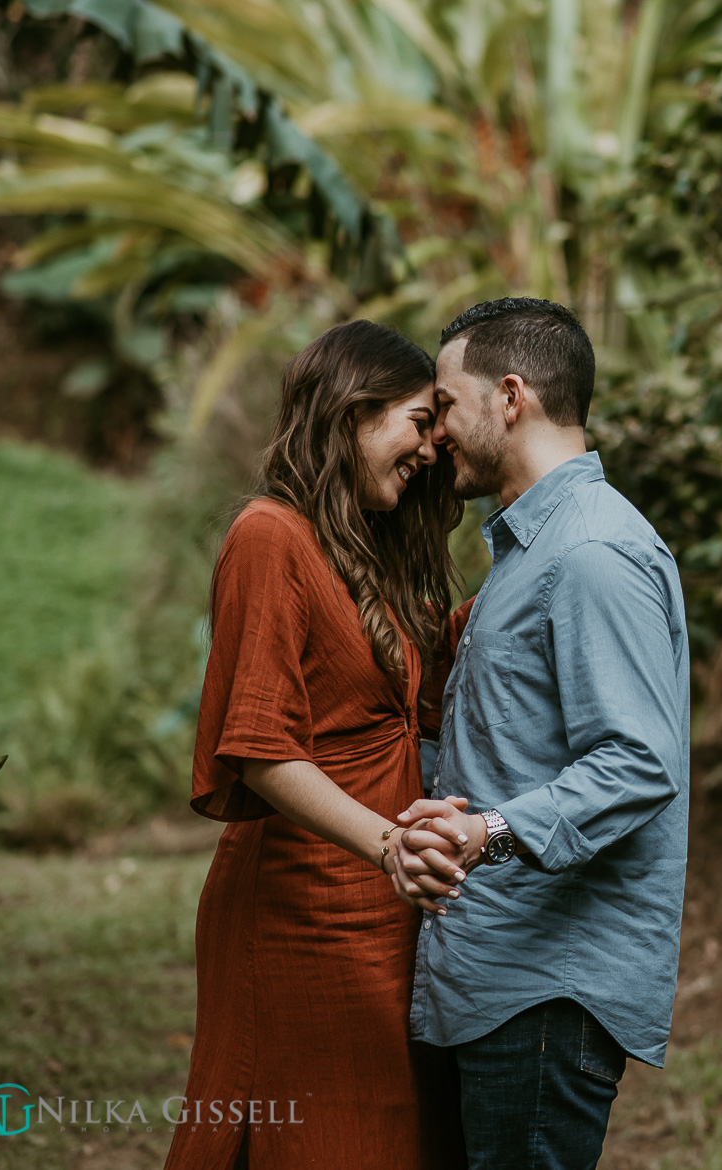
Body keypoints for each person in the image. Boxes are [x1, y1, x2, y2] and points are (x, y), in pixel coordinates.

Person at [385, 298, 691, 1170]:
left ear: (509, 397)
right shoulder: (527, 552)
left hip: (546, 991)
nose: (435, 432)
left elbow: (637, 762)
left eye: (445, 404)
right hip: (493, 976)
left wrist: (488, 834)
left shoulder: (592, 552)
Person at [166, 320, 466, 1170]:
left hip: (382, 909)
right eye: (418, 420)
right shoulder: (270, 536)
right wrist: (390, 844)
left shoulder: (362, 553)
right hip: (299, 908)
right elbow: (259, 748)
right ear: (351, 413)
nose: (433, 447)